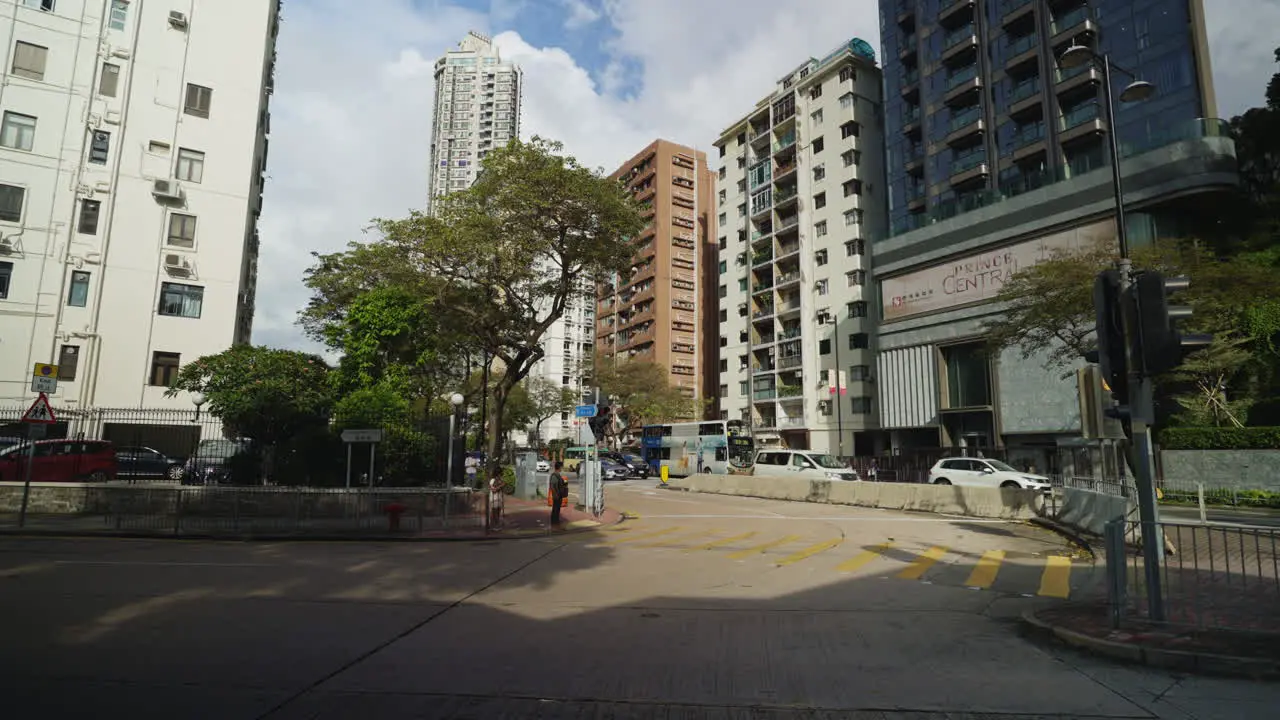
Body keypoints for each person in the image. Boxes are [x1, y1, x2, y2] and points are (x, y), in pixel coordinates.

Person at [549, 460, 569, 528]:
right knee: (555, 509)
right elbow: (552, 486)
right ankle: (554, 522)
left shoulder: (558, 475)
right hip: (557, 495)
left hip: (559, 495)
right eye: (561, 467)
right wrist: (555, 494)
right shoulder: (554, 475)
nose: (561, 468)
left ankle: (556, 521)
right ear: (559, 467)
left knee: (557, 509)